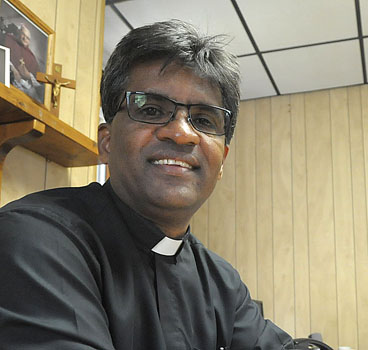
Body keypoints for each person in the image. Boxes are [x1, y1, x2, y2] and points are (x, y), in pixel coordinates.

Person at [0, 20, 294, 349]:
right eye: (152, 110)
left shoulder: (221, 281)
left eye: (203, 119)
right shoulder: (38, 239)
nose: (182, 133)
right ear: (107, 143)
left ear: (222, 160)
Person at [1, 22, 42, 98]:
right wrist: (12, 68)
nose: (25, 38)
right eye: (23, 34)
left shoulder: (31, 57)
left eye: (28, 38)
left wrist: (29, 76)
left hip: (22, 91)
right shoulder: (8, 38)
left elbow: (39, 82)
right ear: (19, 33)